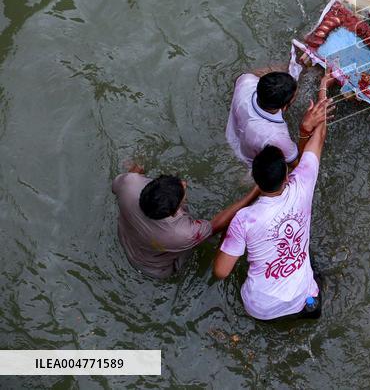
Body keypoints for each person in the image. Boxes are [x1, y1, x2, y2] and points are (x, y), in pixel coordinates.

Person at [212, 73, 333, 320]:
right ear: (288, 175)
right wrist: (322, 92)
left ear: (255, 180)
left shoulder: (245, 219)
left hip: (257, 308)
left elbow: (221, 272)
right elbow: (318, 137)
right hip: (303, 301)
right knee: (313, 267)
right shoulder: (303, 184)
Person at [112, 162, 259, 279]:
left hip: (127, 241)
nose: (183, 183)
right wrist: (254, 193)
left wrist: (138, 167)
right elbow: (215, 226)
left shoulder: (129, 183)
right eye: (182, 193)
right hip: (159, 268)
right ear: (175, 212)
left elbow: (134, 171)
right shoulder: (183, 233)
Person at [226, 67, 304, 169]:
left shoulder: (246, 80)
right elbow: (297, 165)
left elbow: (241, 78)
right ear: (284, 107)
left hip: (231, 137)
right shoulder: (277, 136)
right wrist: (306, 130)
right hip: (250, 163)